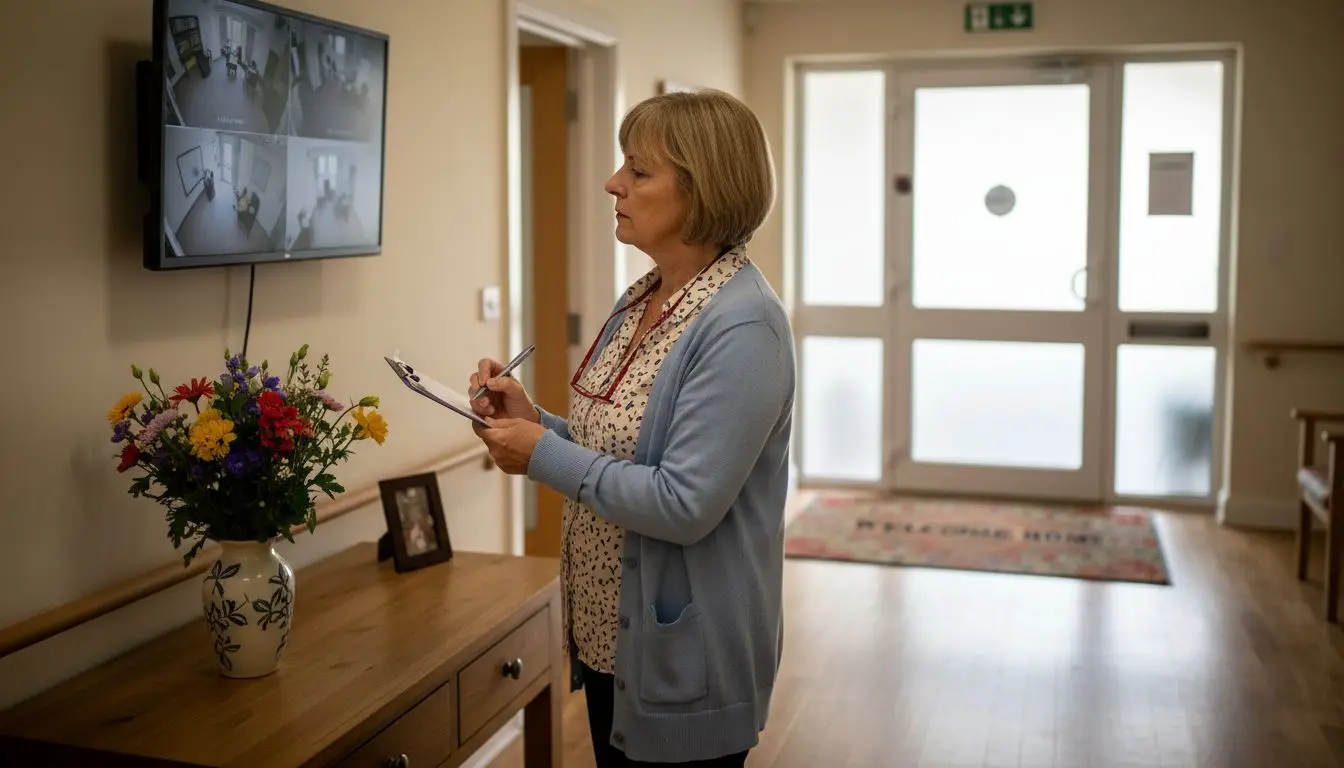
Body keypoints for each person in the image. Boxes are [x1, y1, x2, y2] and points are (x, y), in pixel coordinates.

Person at [470, 88, 795, 767]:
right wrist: (535, 422)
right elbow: (620, 444)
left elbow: (683, 502)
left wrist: (541, 456)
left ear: (703, 190)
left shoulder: (742, 326)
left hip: (686, 656)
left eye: (639, 171)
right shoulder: (646, 294)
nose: (613, 182)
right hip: (610, 638)